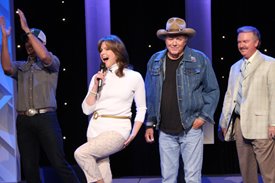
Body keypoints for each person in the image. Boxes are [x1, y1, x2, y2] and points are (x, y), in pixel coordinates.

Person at [0, 10, 80, 183]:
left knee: (58, 162)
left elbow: (44, 56)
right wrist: (5, 38)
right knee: (29, 168)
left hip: (46, 119)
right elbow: (6, 68)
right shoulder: (21, 66)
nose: (28, 44)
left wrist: (27, 29)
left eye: (31, 41)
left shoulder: (52, 61)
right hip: (24, 121)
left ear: (41, 42)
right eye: (26, 42)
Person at [144, 17, 220, 183]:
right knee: (168, 178)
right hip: (165, 130)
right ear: (165, 39)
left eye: (178, 38)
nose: (174, 43)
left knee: (192, 178)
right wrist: (149, 123)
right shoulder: (155, 61)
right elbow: (149, 94)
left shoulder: (199, 59)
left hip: (190, 128)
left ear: (185, 40)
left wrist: (203, 117)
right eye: (170, 38)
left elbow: (212, 90)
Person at [74, 35, 147, 183]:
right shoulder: (98, 77)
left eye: (107, 49)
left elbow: (142, 108)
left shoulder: (134, 76)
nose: (102, 52)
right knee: (103, 171)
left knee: (81, 153)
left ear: (118, 51)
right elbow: (86, 110)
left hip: (118, 129)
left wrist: (133, 134)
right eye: (101, 50)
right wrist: (95, 85)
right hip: (95, 128)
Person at [218, 26, 275, 183]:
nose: (241, 45)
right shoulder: (235, 67)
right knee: (247, 172)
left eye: (245, 41)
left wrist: (273, 123)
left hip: (262, 125)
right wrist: (224, 122)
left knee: (269, 173)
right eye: (239, 42)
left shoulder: (270, 64)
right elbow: (229, 96)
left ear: (256, 43)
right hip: (240, 124)